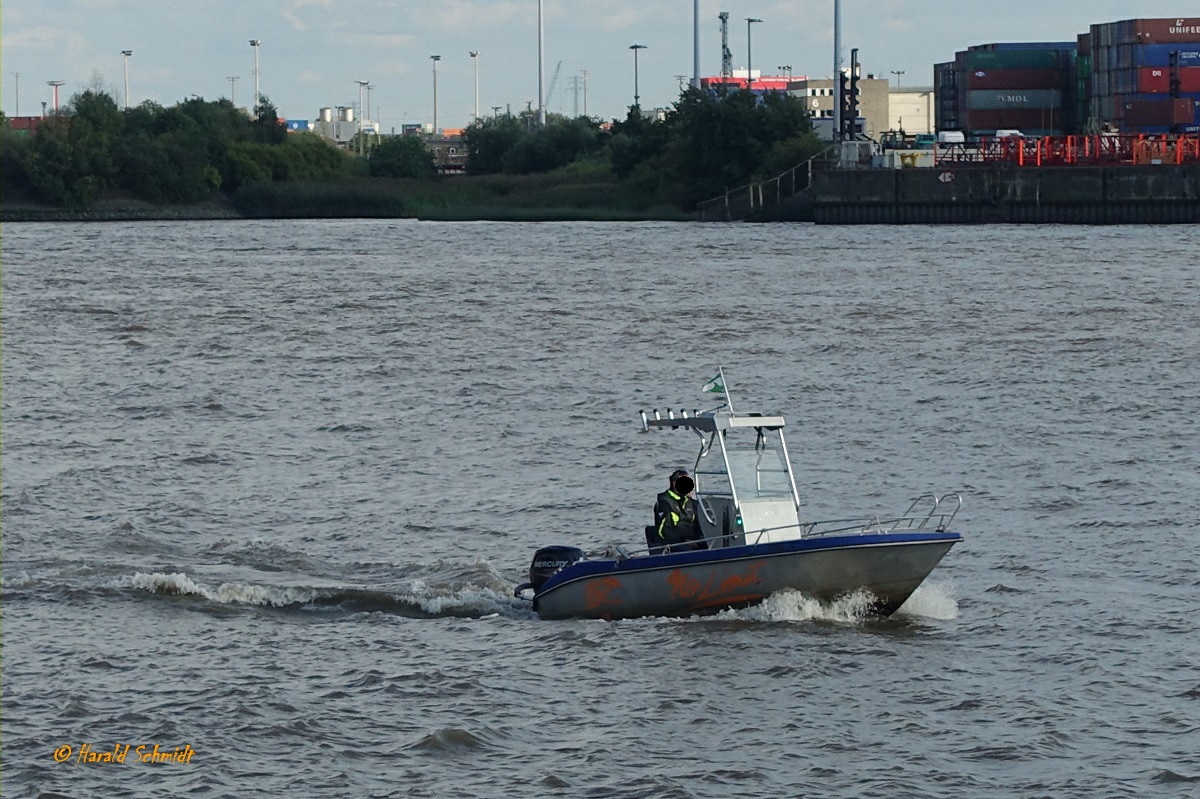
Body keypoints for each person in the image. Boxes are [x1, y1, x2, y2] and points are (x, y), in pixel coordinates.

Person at [648, 469, 707, 553]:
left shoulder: (692, 503)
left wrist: (700, 539)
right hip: (671, 545)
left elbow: (700, 525)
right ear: (674, 484)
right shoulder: (664, 503)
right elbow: (664, 532)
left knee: (709, 546)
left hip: (691, 541)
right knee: (689, 552)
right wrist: (685, 541)